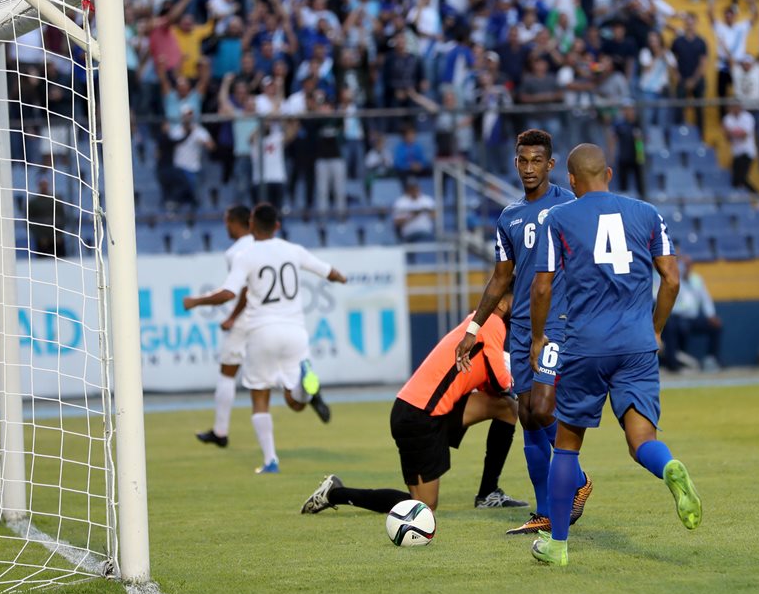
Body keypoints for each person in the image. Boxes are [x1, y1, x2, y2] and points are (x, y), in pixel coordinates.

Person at [527, 144, 702, 566]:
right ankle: (668, 467)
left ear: (570, 180)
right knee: (642, 439)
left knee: (567, 446)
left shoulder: (559, 217)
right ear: (608, 172)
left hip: (586, 344)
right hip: (637, 343)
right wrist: (655, 329)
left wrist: (536, 338)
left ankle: (559, 545)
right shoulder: (647, 212)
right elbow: (672, 281)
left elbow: (543, 286)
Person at [454, 129, 592, 535]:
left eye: (537, 161)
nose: (529, 168)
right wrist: (475, 327)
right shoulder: (508, 216)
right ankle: (544, 509)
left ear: (551, 166)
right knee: (528, 417)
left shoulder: (570, 205)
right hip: (520, 331)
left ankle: (579, 480)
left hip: (558, 325)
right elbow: (500, 279)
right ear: (515, 163)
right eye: (523, 161)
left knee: (544, 409)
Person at [300, 296, 526, 515]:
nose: (525, 306)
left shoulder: (479, 321)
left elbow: (492, 385)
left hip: (426, 411)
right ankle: (335, 493)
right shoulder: (493, 322)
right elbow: (502, 381)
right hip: (418, 417)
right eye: (520, 298)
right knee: (423, 506)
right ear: (503, 302)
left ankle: (488, 494)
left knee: (506, 407)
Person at [182, 203, 347, 473]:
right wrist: (343, 278)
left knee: (260, 397)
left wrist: (196, 301)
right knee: (295, 403)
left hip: (262, 331)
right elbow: (328, 271)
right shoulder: (293, 250)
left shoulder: (245, 256)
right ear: (278, 226)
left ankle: (271, 460)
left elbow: (228, 293)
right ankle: (305, 388)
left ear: (250, 224)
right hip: (296, 332)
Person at [660, 255, 722, 372]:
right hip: (676, 317)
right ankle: (672, 365)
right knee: (670, 326)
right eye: (684, 265)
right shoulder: (673, 279)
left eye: (688, 265)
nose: (686, 268)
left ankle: (711, 359)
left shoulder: (697, 280)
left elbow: (705, 299)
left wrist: (711, 315)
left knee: (715, 326)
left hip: (692, 319)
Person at [391, 177, 436, 243]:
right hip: (409, 234)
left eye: (415, 187)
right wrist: (412, 215)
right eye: (411, 188)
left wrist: (426, 211)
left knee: (430, 239)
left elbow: (435, 215)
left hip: (426, 232)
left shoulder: (427, 200)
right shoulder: (401, 202)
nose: (414, 190)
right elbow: (396, 222)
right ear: (407, 189)